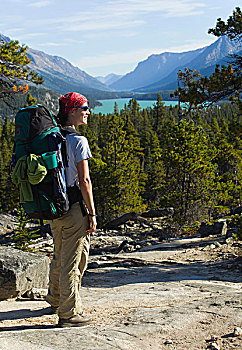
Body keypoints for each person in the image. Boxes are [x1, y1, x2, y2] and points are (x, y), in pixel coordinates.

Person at [46, 92, 97, 328]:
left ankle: (55, 298)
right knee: (72, 261)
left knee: (59, 254)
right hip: (74, 207)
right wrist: (92, 213)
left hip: (54, 206)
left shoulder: (50, 137)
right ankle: (69, 313)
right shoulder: (78, 141)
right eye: (84, 108)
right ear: (72, 111)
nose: (88, 112)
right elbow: (84, 181)